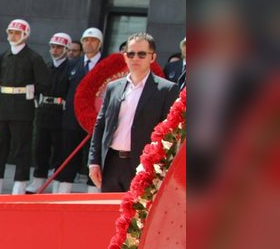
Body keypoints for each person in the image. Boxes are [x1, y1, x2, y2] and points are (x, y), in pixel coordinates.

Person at [88, 33, 180, 193]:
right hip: (111, 164)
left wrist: (160, 169)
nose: (135, 58)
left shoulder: (167, 89)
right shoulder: (113, 87)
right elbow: (100, 126)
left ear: (152, 57)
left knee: (137, 210)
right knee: (109, 209)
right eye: (131, 54)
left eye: (141, 54)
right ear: (125, 57)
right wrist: (94, 162)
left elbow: (170, 134)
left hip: (144, 166)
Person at [0, 19, 42, 195]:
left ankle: (20, 184)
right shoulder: (2, 57)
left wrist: (32, 92)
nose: (13, 36)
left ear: (25, 35)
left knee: (21, 147)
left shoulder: (34, 58)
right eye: (11, 32)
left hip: (23, 108)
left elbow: (44, 82)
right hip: (3, 107)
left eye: (17, 33)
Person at [57, 27, 104, 193]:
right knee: (68, 152)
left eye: (93, 40)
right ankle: (64, 189)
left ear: (100, 43)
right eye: (86, 40)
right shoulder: (72, 64)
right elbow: (63, 89)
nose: (88, 43)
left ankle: (93, 190)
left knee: (95, 156)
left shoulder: (105, 65)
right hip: (72, 117)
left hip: (96, 118)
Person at [31, 33, 73, 192]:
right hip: (44, 110)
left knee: (59, 148)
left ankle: (56, 179)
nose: (55, 50)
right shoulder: (46, 66)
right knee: (40, 147)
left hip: (61, 112)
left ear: (66, 49)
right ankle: (38, 179)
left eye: (59, 47)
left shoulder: (70, 68)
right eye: (53, 47)